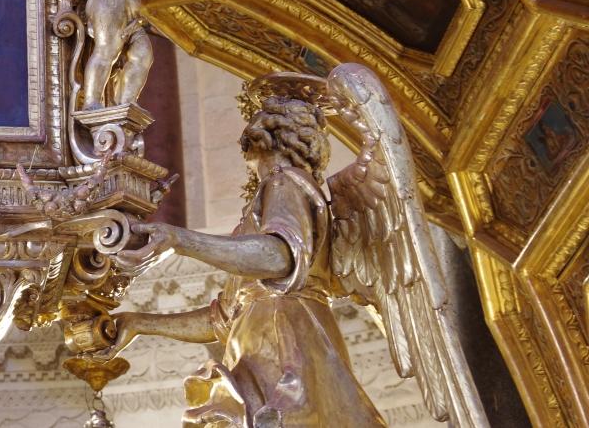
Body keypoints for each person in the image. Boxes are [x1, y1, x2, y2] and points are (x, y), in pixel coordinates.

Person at [102, 95, 384, 427]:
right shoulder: (276, 188)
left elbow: (278, 257)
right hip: (258, 343)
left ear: (272, 133)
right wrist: (138, 323)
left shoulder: (285, 181)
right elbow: (224, 318)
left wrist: (180, 240)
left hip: (287, 341)